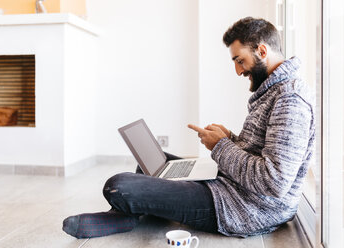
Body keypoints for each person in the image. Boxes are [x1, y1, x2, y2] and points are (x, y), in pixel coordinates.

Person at [62, 17, 315, 238]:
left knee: (119, 185)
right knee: (150, 166)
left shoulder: (290, 99)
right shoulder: (274, 91)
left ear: (261, 51)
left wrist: (221, 145)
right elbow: (259, 153)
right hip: (232, 186)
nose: (238, 70)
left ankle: (127, 216)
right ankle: (132, 213)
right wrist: (230, 138)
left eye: (240, 60)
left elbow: (274, 181)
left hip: (244, 207)